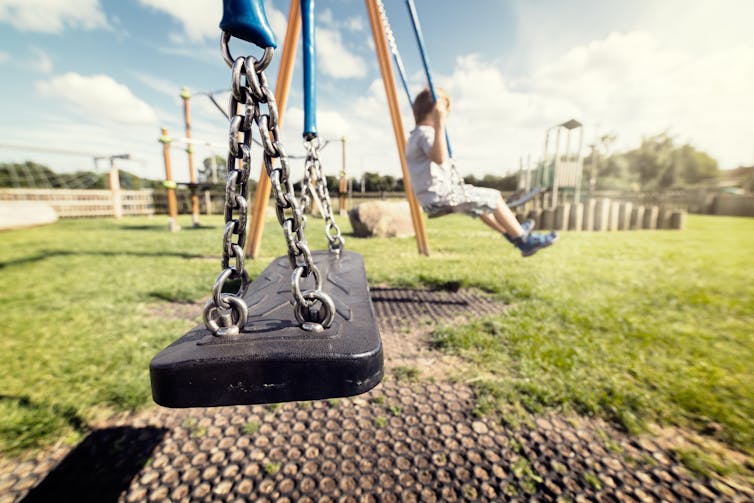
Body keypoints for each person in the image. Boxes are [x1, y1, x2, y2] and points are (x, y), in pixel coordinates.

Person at [405, 88, 557, 257]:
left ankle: (513, 233)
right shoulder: (427, 134)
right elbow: (439, 158)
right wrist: (440, 125)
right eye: (445, 113)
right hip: (442, 197)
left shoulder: (414, 136)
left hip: (431, 199)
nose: (446, 117)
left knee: (483, 208)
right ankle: (524, 240)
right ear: (436, 111)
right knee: (495, 197)